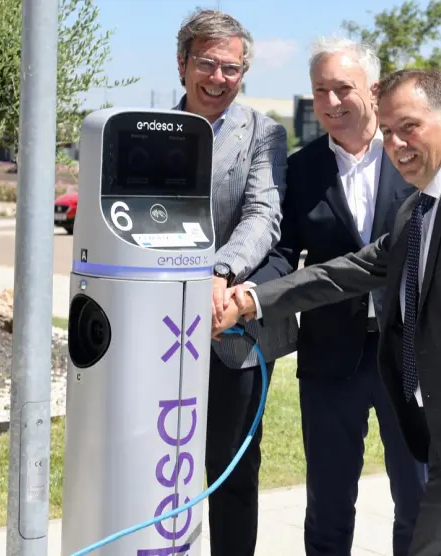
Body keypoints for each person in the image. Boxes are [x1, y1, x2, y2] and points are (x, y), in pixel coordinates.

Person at [219, 69, 441, 555]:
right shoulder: (419, 209)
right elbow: (344, 272)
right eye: (387, 131)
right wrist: (254, 299)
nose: (396, 142)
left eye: (409, 126)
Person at [265, 37, 425, 556]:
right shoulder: (302, 168)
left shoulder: (414, 158)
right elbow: (284, 253)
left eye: (343, 89)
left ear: (373, 91)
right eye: (320, 92)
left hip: (410, 357)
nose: (331, 103)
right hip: (331, 360)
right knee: (329, 506)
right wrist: (249, 291)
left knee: (419, 499)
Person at [173, 9, 298, 556]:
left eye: (232, 68)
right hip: (157, 334)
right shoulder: (146, 129)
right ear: (182, 64)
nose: (218, 79)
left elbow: (262, 215)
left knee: (231, 474)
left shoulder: (264, 134)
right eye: (207, 64)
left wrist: (221, 273)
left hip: (231, 333)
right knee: (159, 467)